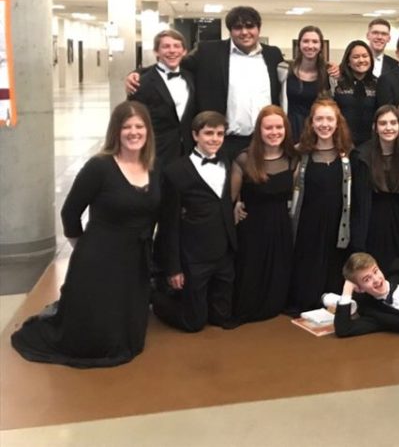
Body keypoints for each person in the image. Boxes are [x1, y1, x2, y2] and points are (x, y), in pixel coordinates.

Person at [11, 102, 161, 367]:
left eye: (139, 126)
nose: (133, 132)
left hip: (135, 257)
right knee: (93, 338)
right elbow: (70, 212)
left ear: (148, 131)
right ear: (116, 131)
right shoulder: (99, 167)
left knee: (129, 334)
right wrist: (83, 248)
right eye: (126, 127)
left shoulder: (153, 167)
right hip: (100, 256)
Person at [126, 6, 285, 161]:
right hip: (223, 141)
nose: (244, 32)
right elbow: (175, 64)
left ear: (259, 29)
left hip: (263, 141)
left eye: (250, 26)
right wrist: (139, 73)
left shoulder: (272, 54)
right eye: (238, 27)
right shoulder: (209, 51)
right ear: (230, 31)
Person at [152, 111, 237, 332]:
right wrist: (173, 268)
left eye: (219, 134)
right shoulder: (175, 171)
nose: (215, 139)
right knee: (194, 323)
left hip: (223, 251)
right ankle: (155, 296)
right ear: (195, 135)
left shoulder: (226, 161)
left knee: (222, 317)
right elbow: (168, 224)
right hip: (194, 256)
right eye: (209, 133)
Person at [229, 106, 297, 323]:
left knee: (279, 269)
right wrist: (236, 204)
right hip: (252, 226)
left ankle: (274, 305)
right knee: (250, 270)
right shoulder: (243, 159)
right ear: (259, 130)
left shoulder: (292, 159)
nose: (274, 132)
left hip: (281, 225)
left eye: (279, 127)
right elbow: (230, 196)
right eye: (269, 127)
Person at [287, 99, 353, 314]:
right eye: (319, 119)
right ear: (311, 123)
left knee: (334, 264)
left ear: (337, 123)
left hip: (337, 222)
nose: (324, 124)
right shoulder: (299, 153)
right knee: (307, 263)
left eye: (329, 119)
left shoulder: (348, 154)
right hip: (308, 222)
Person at [351, 104, 399, 268]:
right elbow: (358, 202)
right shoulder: (361, 156)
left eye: (393, 123)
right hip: (371, 224)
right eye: (383, 123)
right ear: (375, 128)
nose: (388, 127)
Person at [128, 28, 195, 167]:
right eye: (166, 46)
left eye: (177, 46)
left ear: (184, 51)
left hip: (188, 152)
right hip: (156, 153)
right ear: (156, 52)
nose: (172, 50)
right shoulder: (141, 83)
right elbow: (134, 119)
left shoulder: (191, 77)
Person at [284, 24, 330, 138]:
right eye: (306, 41)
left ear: (321, 46)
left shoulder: (328, 74)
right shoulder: (284, 70)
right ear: (299, 44)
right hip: (290, 129)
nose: (310, 46)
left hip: (317, 130)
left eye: (315, 42)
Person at [333, 40, 378, 147]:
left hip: (370, 143)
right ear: (348, 61)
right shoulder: (336, 83)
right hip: (341, 142)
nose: (361, 60)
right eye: (356, 57)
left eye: (365, 56)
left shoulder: (378, 83)